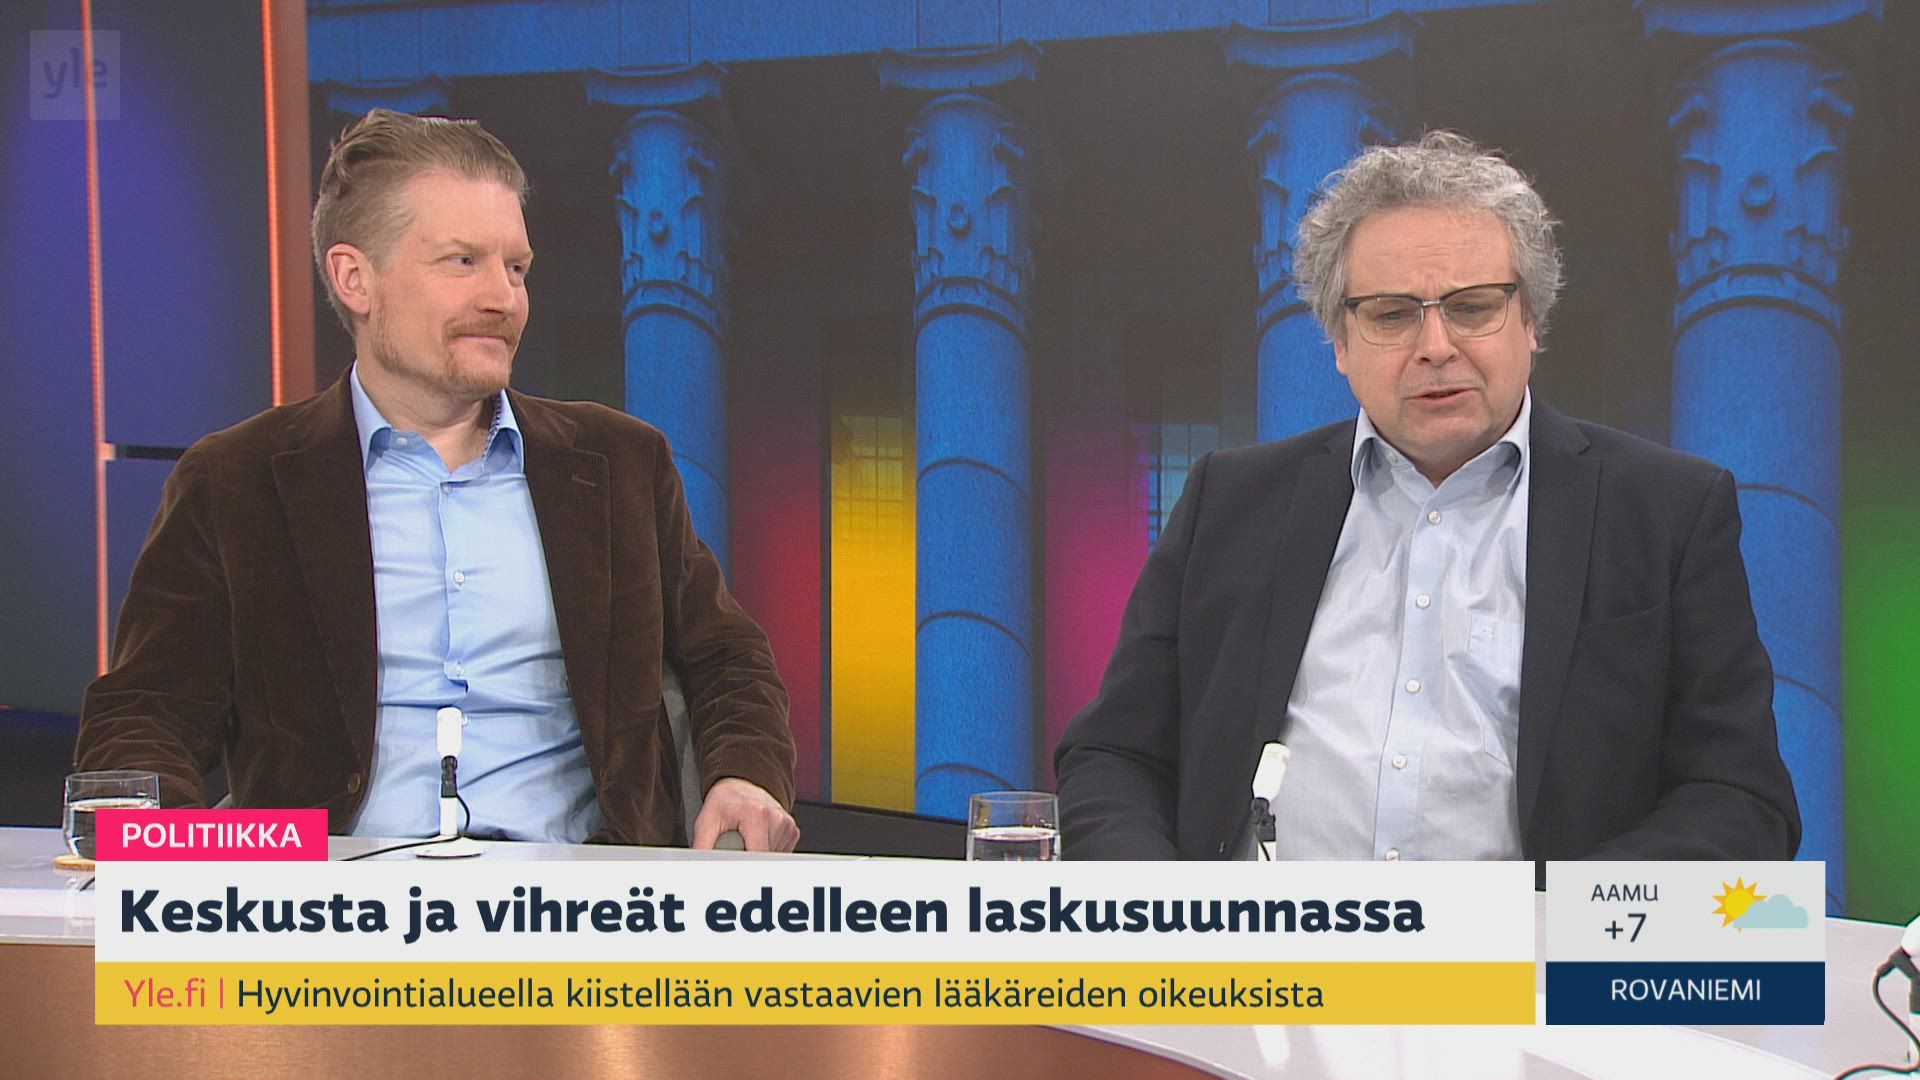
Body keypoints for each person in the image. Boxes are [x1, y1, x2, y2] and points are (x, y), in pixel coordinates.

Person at [1054, 131, 1799, 864]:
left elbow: (1739, 797)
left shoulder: (1667, 512)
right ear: (1340, 343)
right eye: (1391, 314)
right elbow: (1115, 754)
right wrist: (1166, 913)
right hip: (1260, 942)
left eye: (1472, 308)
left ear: (1531, 323)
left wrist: (1561, 925)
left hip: (1528, 945)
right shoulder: (1231, 501)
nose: (1436, 346)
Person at [76, 110, 799, 851]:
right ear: (355, 279)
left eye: (516, 268)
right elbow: (145, 712)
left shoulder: (619, 464)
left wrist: (744, 776)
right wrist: (162, 849)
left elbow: (727, 659)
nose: (503, 298)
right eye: (462, 261)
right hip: (329, 899)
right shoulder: (237, 482)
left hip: (578, 897)